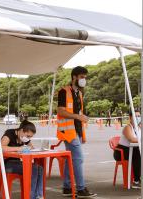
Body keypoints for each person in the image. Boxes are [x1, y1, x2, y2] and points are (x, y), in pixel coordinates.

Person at [57, 66, 97, 198]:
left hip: (77, 130)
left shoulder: (79, 93)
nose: (84, 79)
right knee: (79, 159)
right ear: (74, 77)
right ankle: (80, 188)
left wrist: (82, 117)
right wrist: (78, 116)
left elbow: (77, 113)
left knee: (71, 159)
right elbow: (61, 111)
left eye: (85, 77)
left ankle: (67, 187)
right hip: (68, 132)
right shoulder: (63, 91)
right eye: (82, 77)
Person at [1, 120, 43, 199]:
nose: (28, 138)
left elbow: (31, 148)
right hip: (5, 163)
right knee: (33, 168)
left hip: (17, 162)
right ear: (21, 131)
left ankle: (39, 195)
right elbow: (1, 147)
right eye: (28, 136)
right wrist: (19, 148)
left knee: (40, 168)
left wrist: (30, 147)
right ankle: (31, 197)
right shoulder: (9, 134)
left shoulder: (24, 138)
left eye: (30, 137)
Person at [113, 111, 143, 187]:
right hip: (121, 151)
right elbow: (131, 139)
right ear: (130, 117)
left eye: (139, 116)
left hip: (133, 149)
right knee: (138, 153)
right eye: (135, 116)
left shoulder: (139, 128)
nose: (137, 118)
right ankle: (136, 181)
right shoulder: (127, 127)